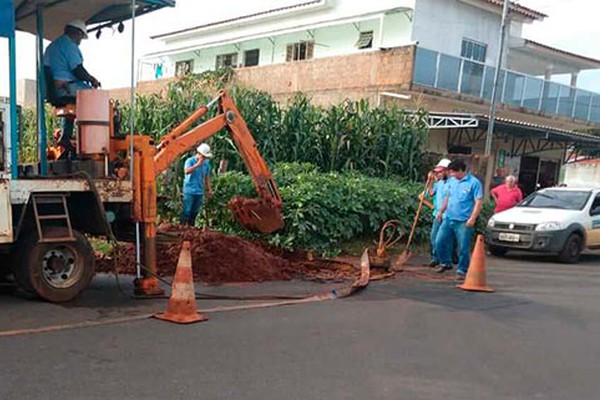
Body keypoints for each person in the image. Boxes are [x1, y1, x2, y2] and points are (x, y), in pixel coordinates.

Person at [43, 20, 101, 155]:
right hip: (65, 87)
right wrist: (92, 80)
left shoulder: (52, 46)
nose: (81, 40)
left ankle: (66, 136)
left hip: (53, 90)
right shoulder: (69, 45)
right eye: (81, 36)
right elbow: (77, 69)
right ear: (77, 32)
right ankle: (90, 142)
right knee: (96, 98)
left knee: (76, 103)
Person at [435, 159, 484, 280]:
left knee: (463, 247)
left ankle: (462, 269)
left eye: (453, 172)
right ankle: (445, 262)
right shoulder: (452, 181)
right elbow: (447, 197)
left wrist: (472, 218)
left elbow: (478, 202)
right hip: (449, 218)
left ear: (461, 171)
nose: (451, 175)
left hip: (463, 220)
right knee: (439, 241)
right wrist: (441, 211)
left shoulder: (474, 183)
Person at [424, 158, 451, 268]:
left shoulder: (451, 183)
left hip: (447, 215)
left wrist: (442, 211)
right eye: (437, 172)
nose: (438, 174)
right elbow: (430, 193)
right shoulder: (439, 183)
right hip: (438, 215)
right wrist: (430, 180)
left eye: (440, 172)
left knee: (442, 239)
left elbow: (448, 199)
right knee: (433, 237)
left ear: (447, 171)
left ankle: (444, 261)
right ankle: (435, 258)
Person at [181, 143, 213, 226]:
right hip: (189, 190)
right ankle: (183, 226)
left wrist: (209, 189)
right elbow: (187, 171)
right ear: (199, 154)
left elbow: (207, 177)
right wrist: (197, 165)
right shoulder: (190, 161)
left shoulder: (207, 164)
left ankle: (191, 228)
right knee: (187, 210)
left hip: (199, 191)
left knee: (195, 211)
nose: (205, 158)